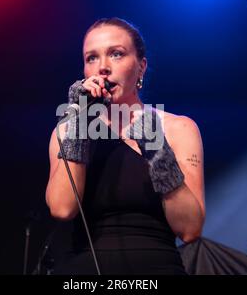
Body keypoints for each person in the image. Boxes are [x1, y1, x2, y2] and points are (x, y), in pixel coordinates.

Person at [45, 17, 205, 275]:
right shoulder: (67, 130)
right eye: (91, 58)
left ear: (141, 67)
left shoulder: (178, 128)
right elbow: (63, 208)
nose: (103, 68)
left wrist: (155, 148)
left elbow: (189, 228)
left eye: (116, 54)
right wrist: (79, 123)